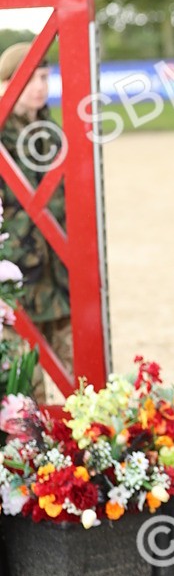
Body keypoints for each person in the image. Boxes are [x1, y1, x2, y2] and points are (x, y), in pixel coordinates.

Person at [0, 42, 72, 402]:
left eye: (44, 76)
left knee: (81, 385)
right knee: (25, 394)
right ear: (6, 83)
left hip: (60, 276)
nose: (40, 86)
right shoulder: (2, 135)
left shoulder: (51, 130)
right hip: (17, 280)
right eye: (29, 79)